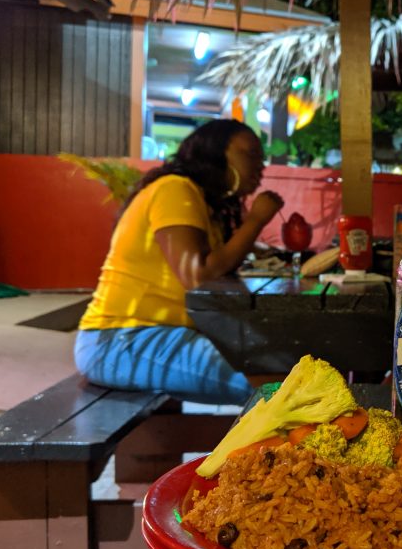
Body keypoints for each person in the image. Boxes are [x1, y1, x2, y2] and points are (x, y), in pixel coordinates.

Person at [74, 120, 284, 405]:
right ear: (213, 153)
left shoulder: (201, 202)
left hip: (150, 337)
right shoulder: (175, 189)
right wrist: (257, 221)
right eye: (250, 155)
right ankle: (277, 447)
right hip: (121, 341)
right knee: (277, 386)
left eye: (262, 158)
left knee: (284, 367)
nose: (260, 166)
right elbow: (197, 275)